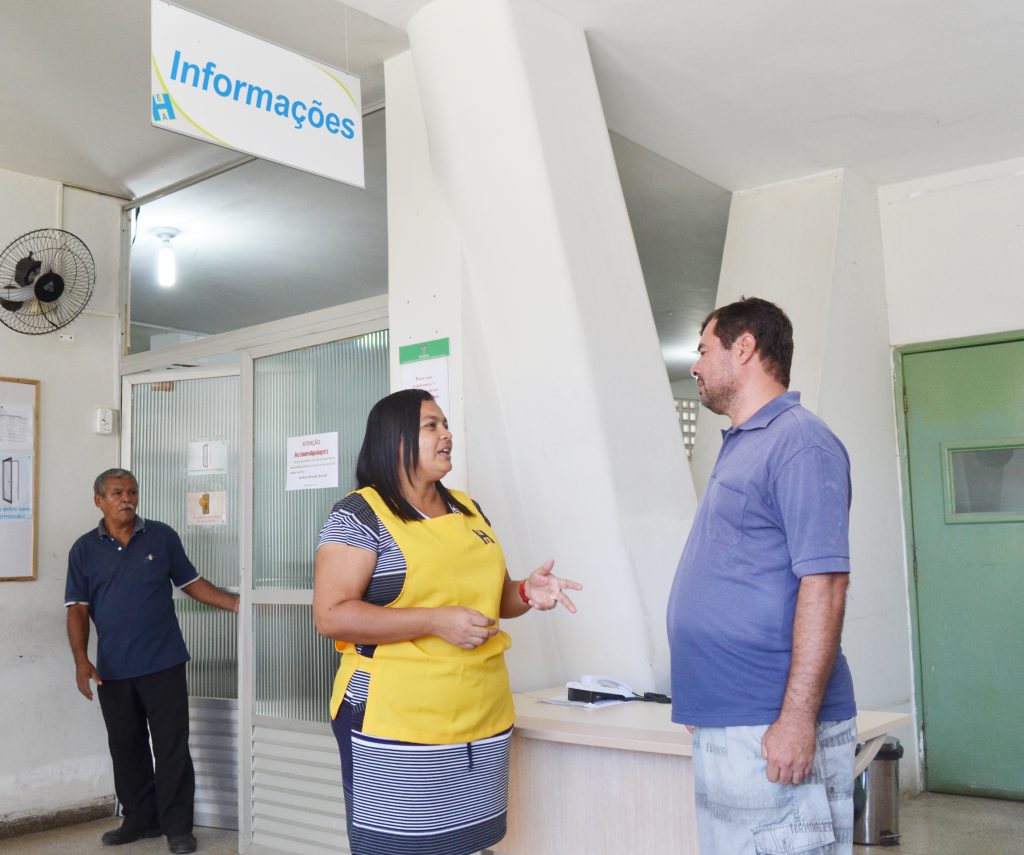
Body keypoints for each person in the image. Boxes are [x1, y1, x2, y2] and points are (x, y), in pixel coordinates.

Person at [313, 389, 581, 855]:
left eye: (446, 424)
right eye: (431, 426)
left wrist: (524, 593)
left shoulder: (468, 508)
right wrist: (434, 621)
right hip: (396, 720)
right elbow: (331, 615)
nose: (447, 435)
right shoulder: (360, 514)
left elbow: (490, 599)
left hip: (480, 713)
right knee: (400, 847)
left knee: (467, 846)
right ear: (395, 440)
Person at [667, 297, 857, 855]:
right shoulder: (746, 442)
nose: (696, 366)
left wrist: (796, 721)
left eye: (703, 350)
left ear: (743, 347)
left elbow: (825, 583)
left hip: (770, 721)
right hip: (734, 715)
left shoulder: (800, 442)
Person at [65, 469, 240, 854]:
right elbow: (77, 609)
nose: (126, 498)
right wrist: (81, 661)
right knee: (126, 748)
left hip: (164, 663)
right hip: (112, 670)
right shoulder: (83, 550)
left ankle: (178, 827)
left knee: (171, 747)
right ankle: (141, 820)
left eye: (131, 491)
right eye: (116, 493)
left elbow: (190, 582)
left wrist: (234, 602)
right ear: (99, 500)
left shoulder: (161, 536)